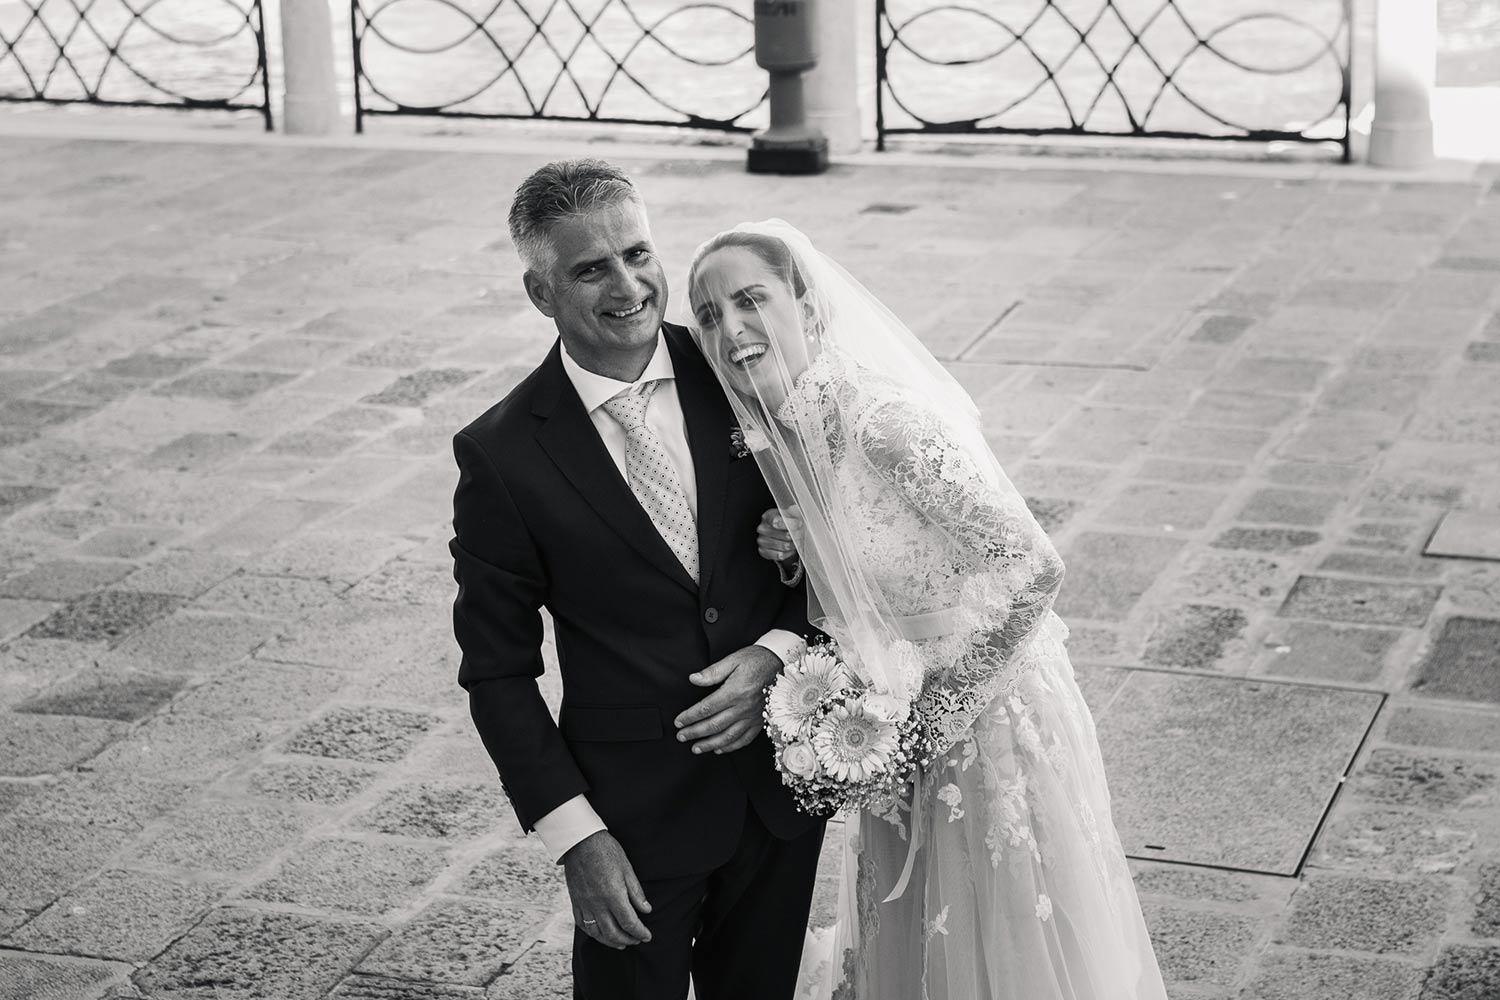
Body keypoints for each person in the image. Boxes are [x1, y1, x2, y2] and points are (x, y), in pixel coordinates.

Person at [687, 220, 1169, 1000]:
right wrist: (793, 547)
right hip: (896, 728)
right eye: (709, 315)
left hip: (989, 720)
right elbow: (865, 578)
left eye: (751, 299)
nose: (731, 328)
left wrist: (938, 713)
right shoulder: (802, 430)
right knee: (914, 943)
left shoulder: (886, 425)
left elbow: (1035, 569)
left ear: (807, 307)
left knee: (1004, 939)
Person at [450, 164, 825, 1000]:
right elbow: (497, 672)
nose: (629, 286)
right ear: (540, 291)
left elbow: (851, 551)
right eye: (591, 269)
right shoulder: (502, 458)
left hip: (778, 795)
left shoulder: (742, 367)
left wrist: (777, 650)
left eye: (638, 253)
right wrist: (575, 837)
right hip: (632, 823)